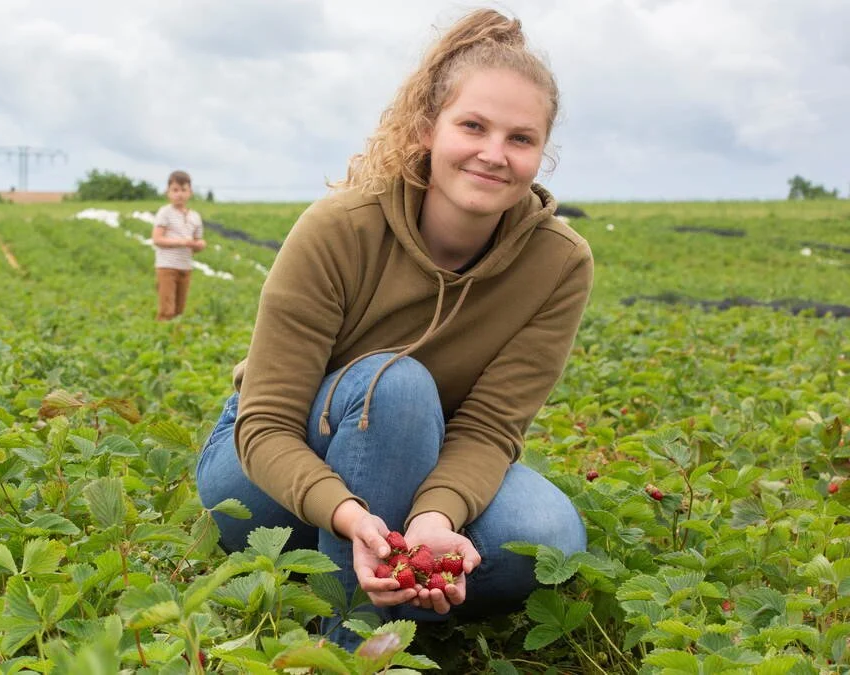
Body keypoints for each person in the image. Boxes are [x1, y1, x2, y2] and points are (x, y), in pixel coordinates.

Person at [195, 8, 593, 649]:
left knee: (547, 537)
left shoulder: (558, 263)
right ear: (427, 129)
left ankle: (389, 579)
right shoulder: (341, 229)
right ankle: (353, 640)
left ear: (542, 154)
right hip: (264, 475)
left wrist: (436, 520)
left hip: (423, 464)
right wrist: (352, 518)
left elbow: (489, 428)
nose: (494, 154)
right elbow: (265, 424)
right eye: (472, 126)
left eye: (521, 139)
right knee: (401, 384)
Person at [151, 170, 206, 321]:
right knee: (167, 309)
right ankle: (162, 338)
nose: (179, 194)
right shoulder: (165, 213)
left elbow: (197, 240)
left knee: (179, 310)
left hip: (185, 267)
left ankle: (176, 338)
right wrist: (182, 242)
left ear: (190, 192)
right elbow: (157, 239)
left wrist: (199, 245)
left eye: (183, 190)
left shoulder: (195, 216)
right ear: (168, 192)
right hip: (167, 266)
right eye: (175, 190)